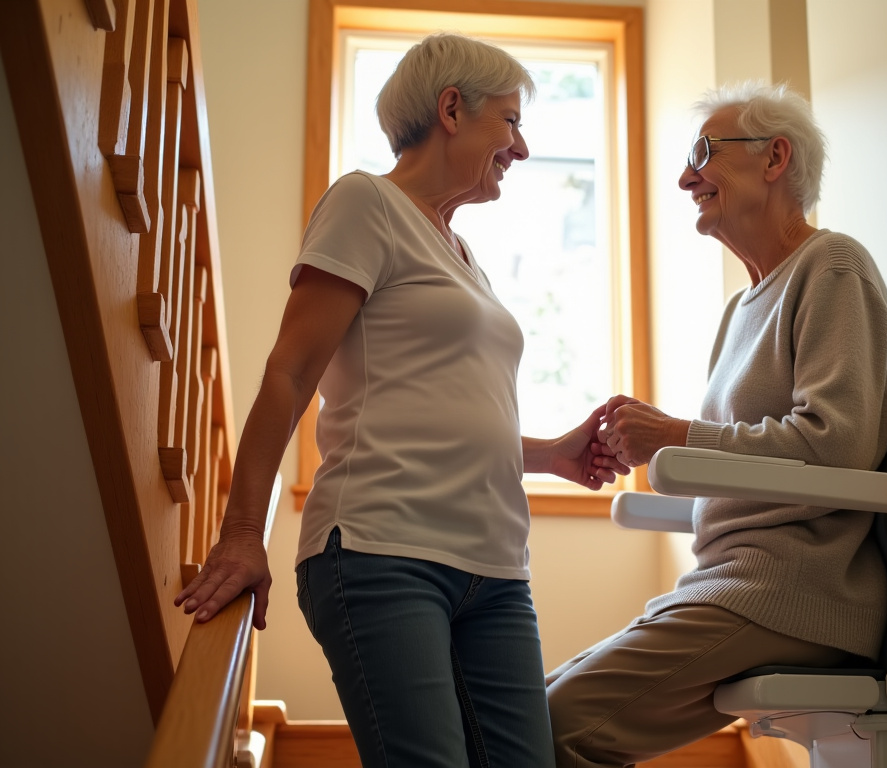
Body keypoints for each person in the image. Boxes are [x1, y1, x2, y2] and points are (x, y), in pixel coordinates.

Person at [174, 33, 626, 768]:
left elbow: (429, 411)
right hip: (382, 552)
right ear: (452, 108)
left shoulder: (462, 255)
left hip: (496, 570)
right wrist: (241, 531)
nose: (523, 146)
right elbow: (289, 375)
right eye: (510, 121)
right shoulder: (366, 203)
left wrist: (551, 454)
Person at [552, 81, 887, 767]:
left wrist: (678, 437)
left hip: (791, 590)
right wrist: (655, 444)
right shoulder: (741, 308)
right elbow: (742, 463)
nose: (686, 178)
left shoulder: (832, 267)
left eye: (705, 153)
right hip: (732, 583)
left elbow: (838, 446)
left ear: (775, 159)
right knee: (524, 711)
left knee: (545, 724)